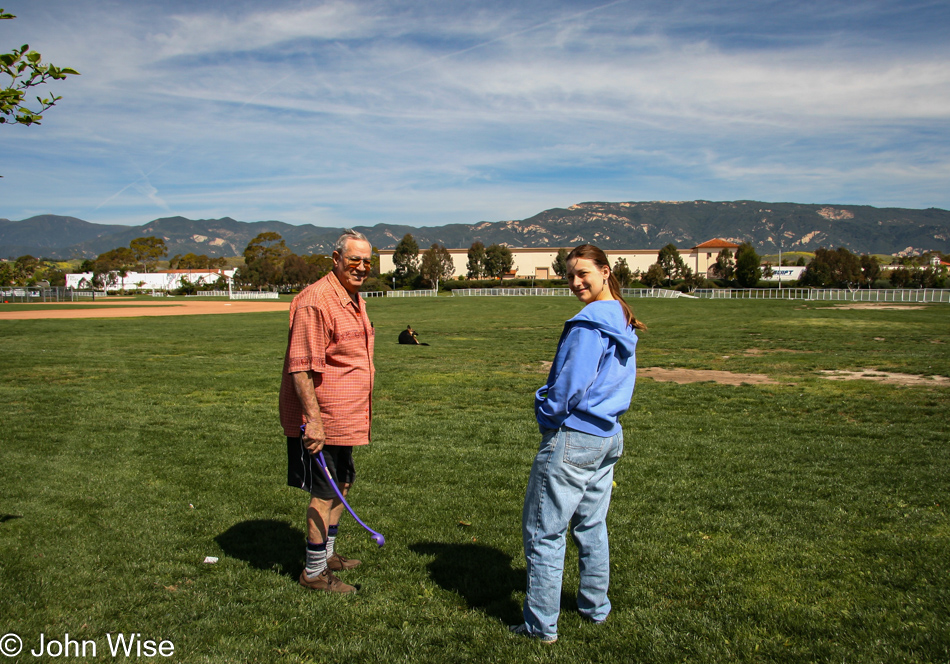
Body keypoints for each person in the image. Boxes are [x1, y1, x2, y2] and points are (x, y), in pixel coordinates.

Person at [511, 244, 647, 643]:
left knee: (543, 532)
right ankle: (594, 606)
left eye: (583, 273)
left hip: (575, 438)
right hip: (608, 436)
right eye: (569, 275)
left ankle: (540, 627)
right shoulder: (621, 315)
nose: (575, 282)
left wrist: (544, 410)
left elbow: (568, 389)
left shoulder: (590, 323)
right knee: (590, 524)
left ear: (606, 271)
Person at [279, 229, 376, 594]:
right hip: (323, 419)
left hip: (346, 417)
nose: (362, 267)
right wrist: (314, 423)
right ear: (336, 259)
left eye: (367, 261)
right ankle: (314, 572)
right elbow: (300, 367)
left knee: (343, 485)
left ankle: (328, 554)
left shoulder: (351, 297)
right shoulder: (316, 301)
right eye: (354, 260)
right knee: (323, 493)